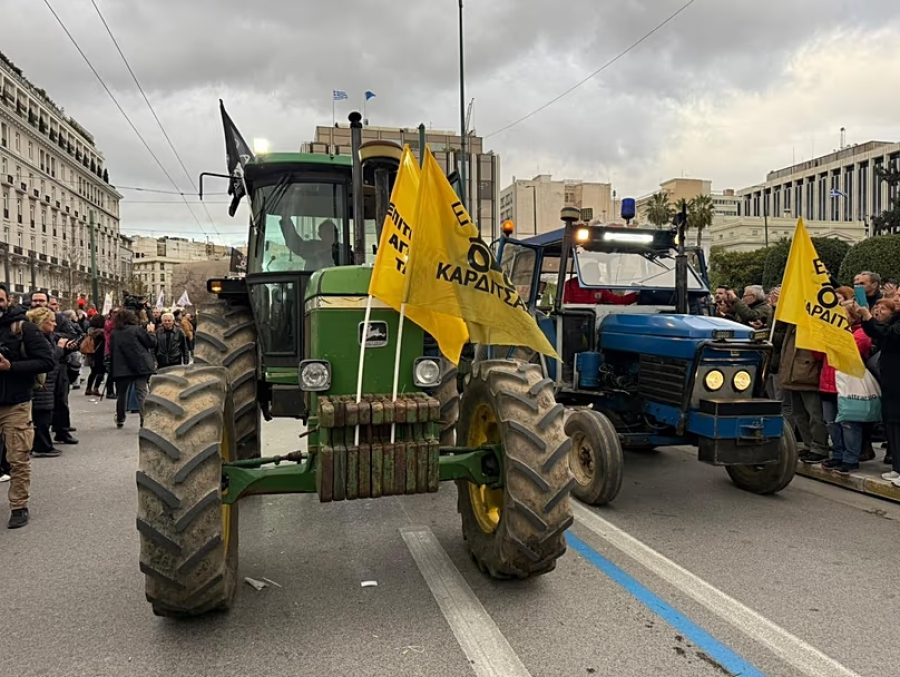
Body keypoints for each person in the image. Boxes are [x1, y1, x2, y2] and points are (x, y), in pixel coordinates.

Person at [0, 283, 56, 528]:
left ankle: (19, 506)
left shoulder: (22, 328)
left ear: (8, 300)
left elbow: (46, 361)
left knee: (18, 456)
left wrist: (11, 366)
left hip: (15, 403)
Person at [817, 300, 873, 474]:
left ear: (853, 316)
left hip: (847, 385)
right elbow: (818, 353)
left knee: (849, 425)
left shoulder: (861, 334)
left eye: (842, 314)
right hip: (828, 382)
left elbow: (849, 352)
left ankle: (851, 458)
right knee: (832, 423)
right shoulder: (834, 333)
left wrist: (834, 336)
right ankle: (838, 454)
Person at [852, 295, 900, 486]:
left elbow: (891, 335)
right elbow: (878, 332)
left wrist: (869, 318)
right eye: (896, 295)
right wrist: (866, 317)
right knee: (892, 423)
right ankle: (897, 468)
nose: (896, 298)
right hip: (890, 379)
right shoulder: (896, 318)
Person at [25, 307, 79, 459]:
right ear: (42, 322)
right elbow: (49, 359)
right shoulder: (38, 338)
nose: (55, 325)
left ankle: (44, 444)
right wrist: (61, 348)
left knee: (46, 413)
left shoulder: (47, 336)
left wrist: (65, 348)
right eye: (51, 322)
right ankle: (42, 445)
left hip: (49, 380)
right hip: (42, 382)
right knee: (42, 414)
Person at [779, 323, 829, 463]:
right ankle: (809, 445)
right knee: (799, 414)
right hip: (792, 374)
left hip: (808, 373)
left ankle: (820, 447)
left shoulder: (815, 321)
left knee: (815, 415)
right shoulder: (791, 324)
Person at [109, 310, 156, 428]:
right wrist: (151, 332)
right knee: (141, 392)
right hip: (139, 364)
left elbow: (112, 349)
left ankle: (120, 418)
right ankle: (144, 419)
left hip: (121, 366)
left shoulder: (114, 332)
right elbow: (150, 343)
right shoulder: (136, 329)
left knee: (122, 394)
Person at [84, 313, 107, 396]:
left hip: (91, 353)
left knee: (93, 372)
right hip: (100, 352)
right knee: (101, 372)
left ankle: (88, 388)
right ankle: (96, 388)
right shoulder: (103, 332)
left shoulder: (90, 331)